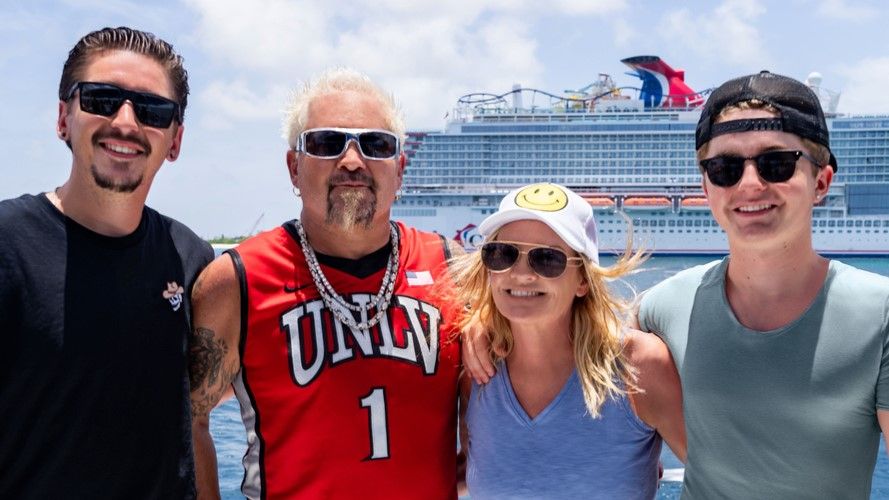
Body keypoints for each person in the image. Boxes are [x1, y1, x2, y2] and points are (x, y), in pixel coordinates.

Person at [188, 68, 462, 499]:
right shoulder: (234, 281)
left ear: (399, 168)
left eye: (375, 144)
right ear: (295, 167)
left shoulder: (453, 271)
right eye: (326, 143)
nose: (352, 161)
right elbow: (191, 418)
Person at [641, 71, 889, 498]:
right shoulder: (661, 307)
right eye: (725, 168)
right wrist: (484, 332)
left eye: (777, 163)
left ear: (821, 182)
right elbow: (564, 348)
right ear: (706, 187)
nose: (750, 184)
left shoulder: (879, 314)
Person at [0, 27, 212, 498]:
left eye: (153, 110)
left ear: (175, 140)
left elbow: (196, 423)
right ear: (63, 119)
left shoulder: (194, 260)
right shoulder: (7, 244)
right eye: (101, 99)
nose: (126, 123)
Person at [452, 182, 685, 499]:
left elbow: (723, 482)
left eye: (546, 259)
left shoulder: (638, 367)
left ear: (583, 281)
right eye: (502, 254)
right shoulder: (475, 372)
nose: (520, 274)